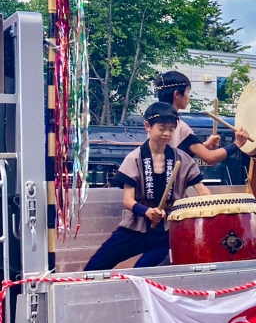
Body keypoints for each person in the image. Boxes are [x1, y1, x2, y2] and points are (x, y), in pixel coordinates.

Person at [84, 102, 211, 270]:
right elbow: (128, 201)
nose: (167, 133)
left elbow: (203, 191)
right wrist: (147, 212)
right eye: (162, 128)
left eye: (171, 129)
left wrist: (212, 210)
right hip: (136, 227)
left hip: (169, 232)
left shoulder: (182, 159)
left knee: (141, 274)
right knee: (94, 268)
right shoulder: (134, 158)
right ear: (147, 126)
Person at [154, 71, 250, 164]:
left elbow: (176, 154)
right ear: (177, 94)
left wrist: (204, 146)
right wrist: (237, 143)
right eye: (188, 92)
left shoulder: (155, 121)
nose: (189, 97)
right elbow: (210, 158)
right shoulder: (178, 126)